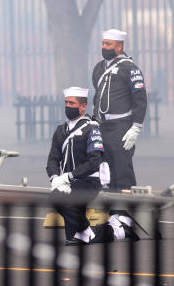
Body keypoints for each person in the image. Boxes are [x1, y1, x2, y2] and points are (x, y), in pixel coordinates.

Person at [46, 86, 116, 245]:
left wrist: (69, 176)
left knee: (60, 200)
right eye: (66, 103)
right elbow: (53, 158)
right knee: (73, 237)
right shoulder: (60, 130)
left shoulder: (91, 128)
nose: (68, 107)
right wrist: (55, 178)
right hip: (67, 182)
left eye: (71, 103)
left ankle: (87, 231)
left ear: (83, 106)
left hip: (88, 181)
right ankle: (103, 231)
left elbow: (94, 161)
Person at [91, 28, 146, 192]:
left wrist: (136, 127)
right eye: (103, 43)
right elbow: (98, 94)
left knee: (122, 172)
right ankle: (111, 213)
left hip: (121, 126)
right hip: (102, 126)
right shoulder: (99, 68)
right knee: (104, 171)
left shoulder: (130, 68)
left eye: (108, 44)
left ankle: (125, 215)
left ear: (119, 47)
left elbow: (140, 99)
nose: (104, 47)